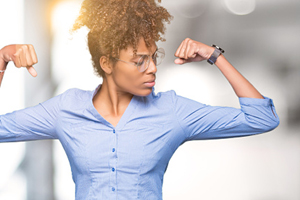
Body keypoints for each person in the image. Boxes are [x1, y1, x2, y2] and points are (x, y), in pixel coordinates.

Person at [0, 0, 279, 199]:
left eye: (154, 57)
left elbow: (262, 118)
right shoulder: (66, 109)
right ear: (107, 64)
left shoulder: (171, 111)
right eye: (139, 61)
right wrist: (1, 60)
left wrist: (215, 56)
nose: (153, 68)